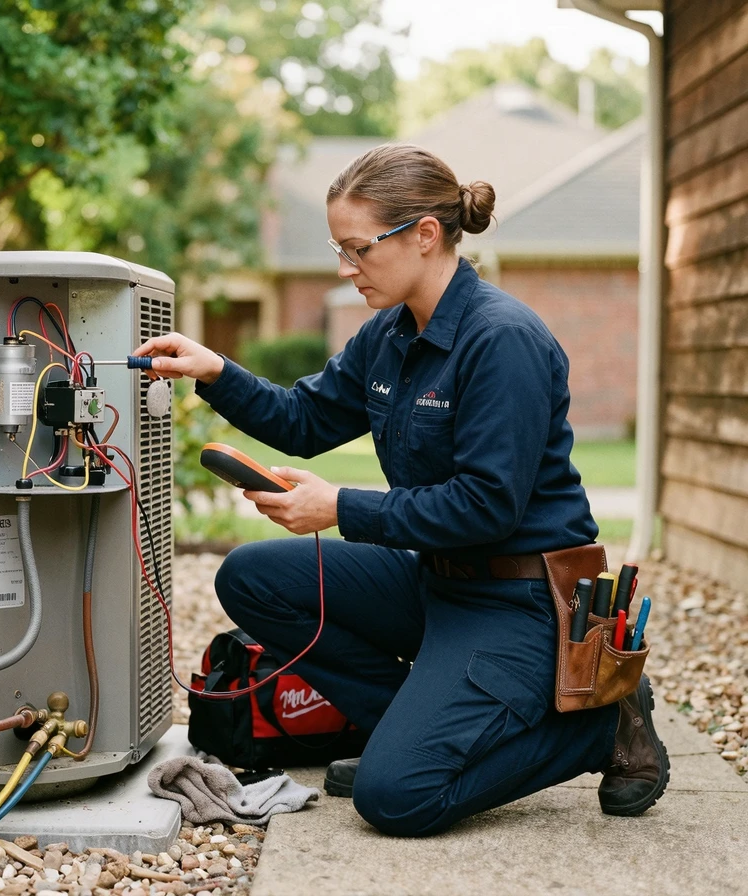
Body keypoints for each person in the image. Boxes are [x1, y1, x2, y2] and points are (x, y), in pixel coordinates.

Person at [132, 143, 669, 837]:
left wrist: (339, 507)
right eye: (339, 249)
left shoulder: (502, 341)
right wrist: (213, 372)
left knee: (395, 797)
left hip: (521, 602)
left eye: (358, 249)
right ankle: (412, 726)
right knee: (252, 578)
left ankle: (595, 727)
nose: (344, 268)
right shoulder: (387, 336)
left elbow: (486, 506)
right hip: (435, 581)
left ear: (423, 234)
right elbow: (303, 419)